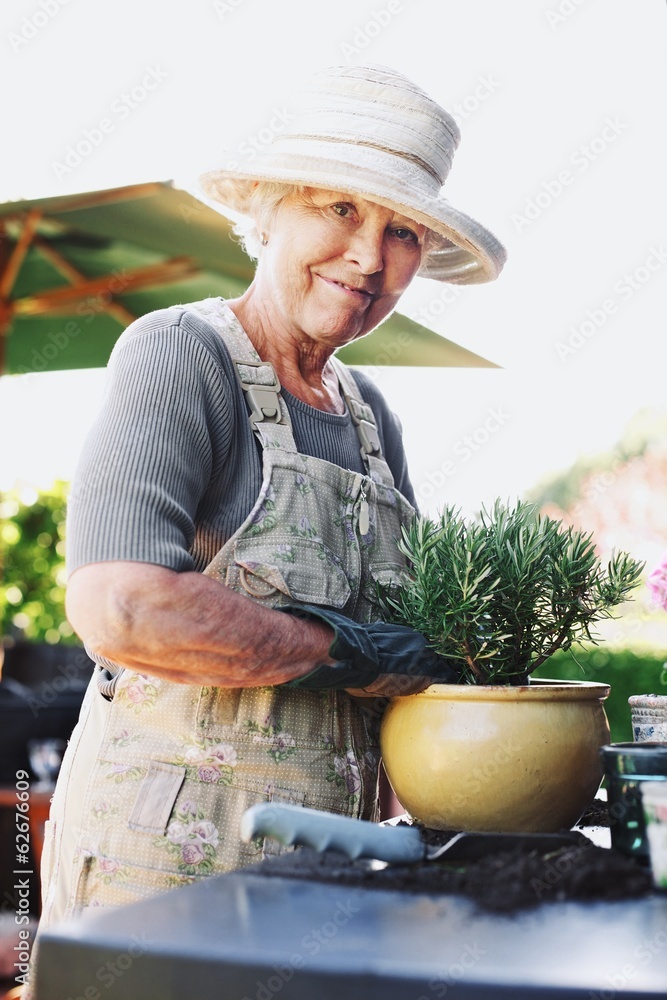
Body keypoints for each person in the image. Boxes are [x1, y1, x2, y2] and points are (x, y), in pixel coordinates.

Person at [35, 63, 506, 945]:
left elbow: (407, 657)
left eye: (401, 230)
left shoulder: (371, 418)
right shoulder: (180, 355)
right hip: (166, 875)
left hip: (331, 874)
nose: (368, 256)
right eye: (339, 210)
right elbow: (125, 608)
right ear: (268, 212)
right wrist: (351, 652)